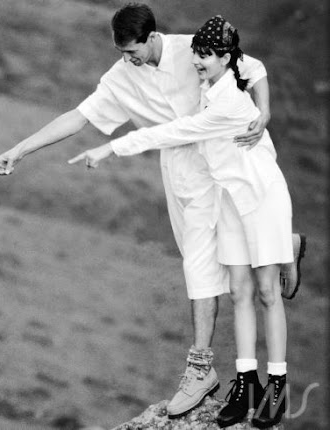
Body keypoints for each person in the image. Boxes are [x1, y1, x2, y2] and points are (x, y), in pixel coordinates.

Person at [0, 3, 305, 418]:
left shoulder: (195, 49)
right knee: (208, 270)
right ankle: (280, 253)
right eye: (121, 53)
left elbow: (253, 68)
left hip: (227, 166)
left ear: (153, 37)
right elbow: (78, 117)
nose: (127, 59)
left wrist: (266, 111)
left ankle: (202, 367)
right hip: (184, 173)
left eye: (132, 51)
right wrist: (19, 150)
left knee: (209, 271)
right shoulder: (120, 77)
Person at [68, 15, 294, 428]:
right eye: (195, 58)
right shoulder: (208, 87)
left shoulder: (225, 101)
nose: (197, 65)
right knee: (240, 290)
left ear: (226, 58)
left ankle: (277, 385)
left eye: (205, 58)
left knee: (265, 291)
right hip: (227, 199)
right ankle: (247, 383)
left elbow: (176, 131)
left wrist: (110, 149)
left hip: (258, 197)